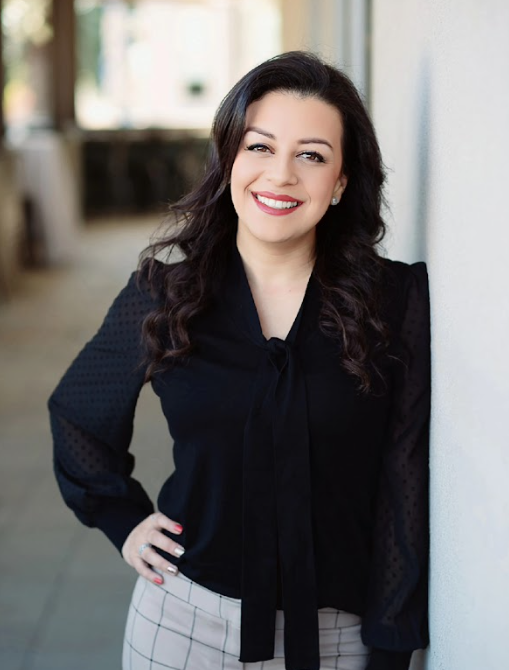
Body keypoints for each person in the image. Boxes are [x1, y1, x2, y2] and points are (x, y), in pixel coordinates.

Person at [48, 51, 430, 670]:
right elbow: (77, 417)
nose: (280, 176)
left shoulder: (394, 301)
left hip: (337, 636)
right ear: (228, 160)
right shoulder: (164, 294)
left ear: (340, 183)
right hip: (182, 624)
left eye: (311, 155)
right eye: (259, 147)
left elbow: (404, 480)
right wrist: (124, 520)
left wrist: (391, 647)